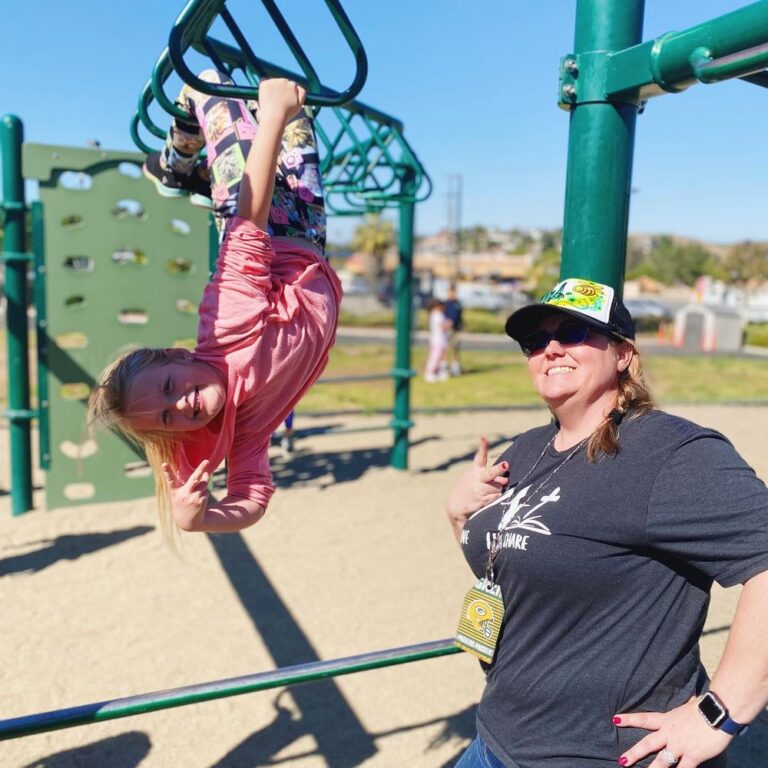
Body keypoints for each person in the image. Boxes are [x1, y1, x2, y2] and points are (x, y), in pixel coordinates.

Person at [446, 277, 768, 768]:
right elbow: (511, 568)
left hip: (600, 755)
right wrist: (460, 514)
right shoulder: (528, 447)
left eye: (574, 332)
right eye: (536, 341)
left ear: (623, 355)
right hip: (497, 739)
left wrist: (718, 714)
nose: (551, 348)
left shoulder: (669, 453)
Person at [88, 72, 341, 536]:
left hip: (265, 222)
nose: (180, 404)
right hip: (312, 241)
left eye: (168, 387)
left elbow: (250, 219)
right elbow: (252, 497)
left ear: (179, 357)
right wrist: (201, 519)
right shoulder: (241, 429)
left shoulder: (227, 328)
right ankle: (201, 173)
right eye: (167, 416)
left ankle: (177, 163)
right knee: (298, 118)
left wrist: (271, 120)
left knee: (208, 83)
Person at [424, 298, 450, 382]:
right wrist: (448, 324)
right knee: (435, 357)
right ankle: (429, 372)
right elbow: (442, 326)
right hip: (438, 339)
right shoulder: (437, 314)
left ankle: (437, 372)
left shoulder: (436, 314)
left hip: (440, 339)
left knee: (439, 357)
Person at [444, 285, 464, 376]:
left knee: (455, 348)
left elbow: (460, 316)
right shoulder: (445, 304)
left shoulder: (457, 303)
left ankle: (455, 368)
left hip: (455, 329)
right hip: (447, 329)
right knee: (446, 348)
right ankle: (445, 367)